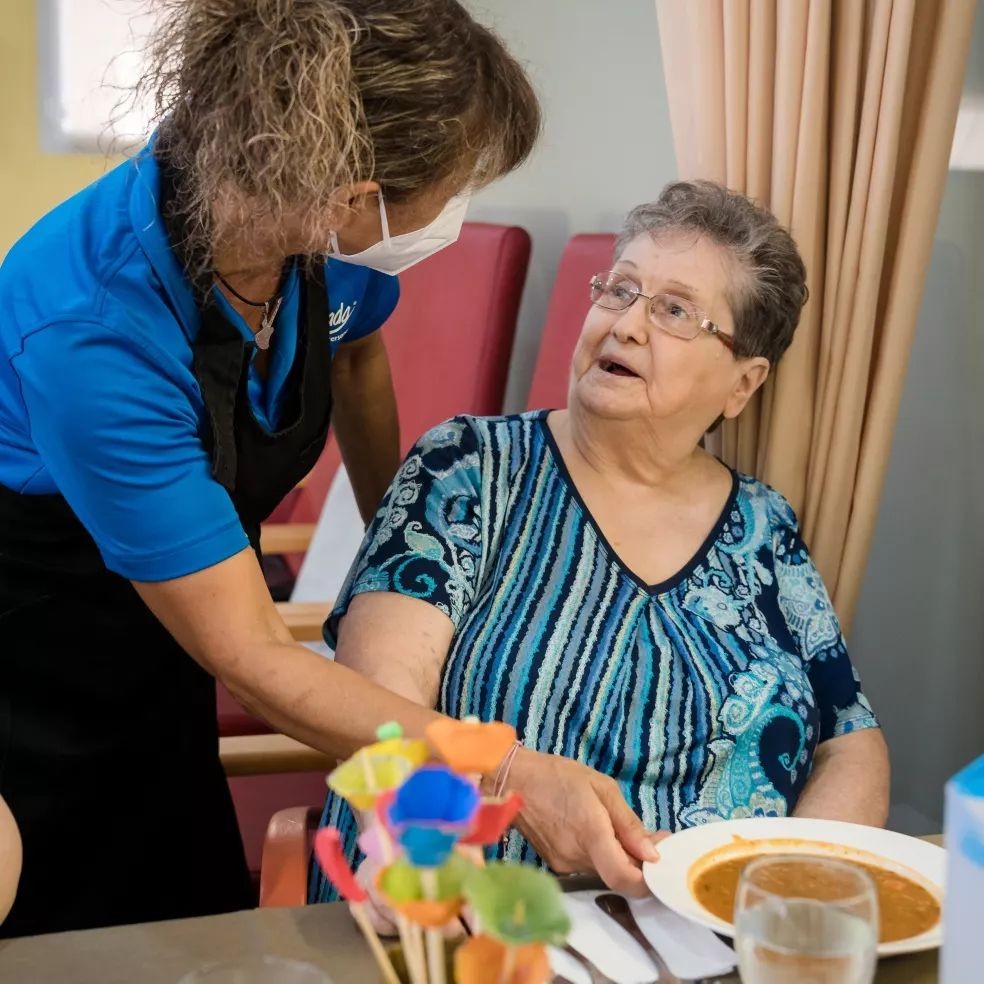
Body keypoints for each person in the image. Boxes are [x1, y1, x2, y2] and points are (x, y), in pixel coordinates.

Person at [0, 0, 658, 938]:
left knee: (189, 908)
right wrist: (507, 768)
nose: (459, 207)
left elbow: (352, 356)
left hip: (176, 641)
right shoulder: (91, 329)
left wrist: (402, 535)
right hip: (39, 650)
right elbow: (253, 658)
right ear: (349, 194)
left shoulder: (308, 224)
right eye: (457, 184)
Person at [313, 180, 891, 902]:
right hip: (471, 922)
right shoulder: (470, 467)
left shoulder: (763, 526)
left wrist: (790, 895)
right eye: (619, 290)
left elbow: (851, 742)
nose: (627, 324)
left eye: (674, 311)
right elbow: (379, 698)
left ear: (743, 384)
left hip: (711, 938)